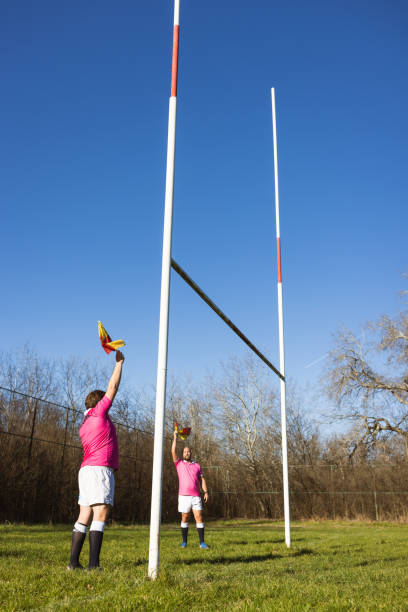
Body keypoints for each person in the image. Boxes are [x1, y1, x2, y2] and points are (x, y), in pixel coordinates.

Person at [67, 350, 125, 570]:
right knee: (100, 513)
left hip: (86, 471)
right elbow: (112, 388)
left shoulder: (85, 421)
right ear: (99, 403)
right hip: (99, 470)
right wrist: (119, 364)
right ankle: (94, 566)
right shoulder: (100, 413)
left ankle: (73, 564)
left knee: (85, 513)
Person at [172, 426, 209, 549]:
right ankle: (184, 542)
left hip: (196, 496)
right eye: (185, 451)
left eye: (188, 451)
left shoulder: (197, 466)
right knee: (185, 517)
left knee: (199, 517)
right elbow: (173, 451)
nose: (187, 453)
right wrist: (175, 437)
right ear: (183, 454)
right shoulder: (179, 464)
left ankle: (202, 543)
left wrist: (206, 492)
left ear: (191, 453)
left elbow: (202, 479)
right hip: (183, 496)